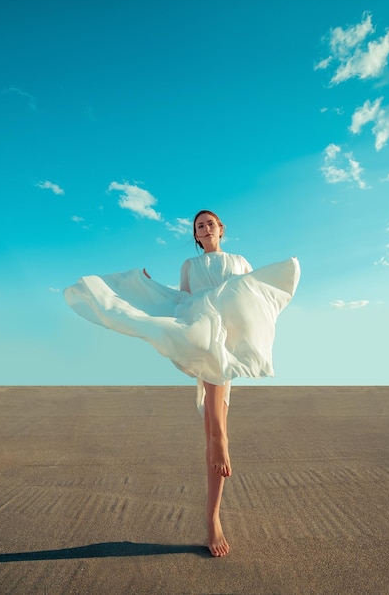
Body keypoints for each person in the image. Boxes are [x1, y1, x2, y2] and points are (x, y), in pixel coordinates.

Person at [64, 209, 300, 558]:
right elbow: (181, 300)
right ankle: (215, 488)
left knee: (212, 416)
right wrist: (148, 287)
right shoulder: (190, 266)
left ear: (221, 229)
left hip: (229, 334)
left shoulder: (238, 260)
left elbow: (254, 297)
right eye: (198, 226)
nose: (205, 228)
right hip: (200, 329)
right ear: (196, 235)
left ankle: (213, 500)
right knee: (212, 390)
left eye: (210, 223)